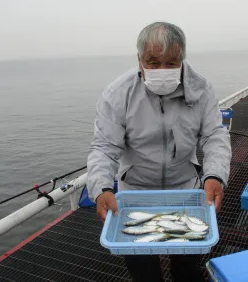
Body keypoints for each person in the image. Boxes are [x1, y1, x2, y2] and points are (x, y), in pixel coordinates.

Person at [87, 22, 232, 282]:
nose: (162, 70)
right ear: (140, 60)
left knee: (187, 268)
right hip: (135, 195)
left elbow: (214, 135)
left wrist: (215, 175)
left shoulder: (201, 90)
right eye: (153, 62)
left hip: (186, 192)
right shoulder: (118, 94)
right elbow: (104, 147)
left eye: (171, 62)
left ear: (183, 59)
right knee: (143, 271)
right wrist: (101, 189)